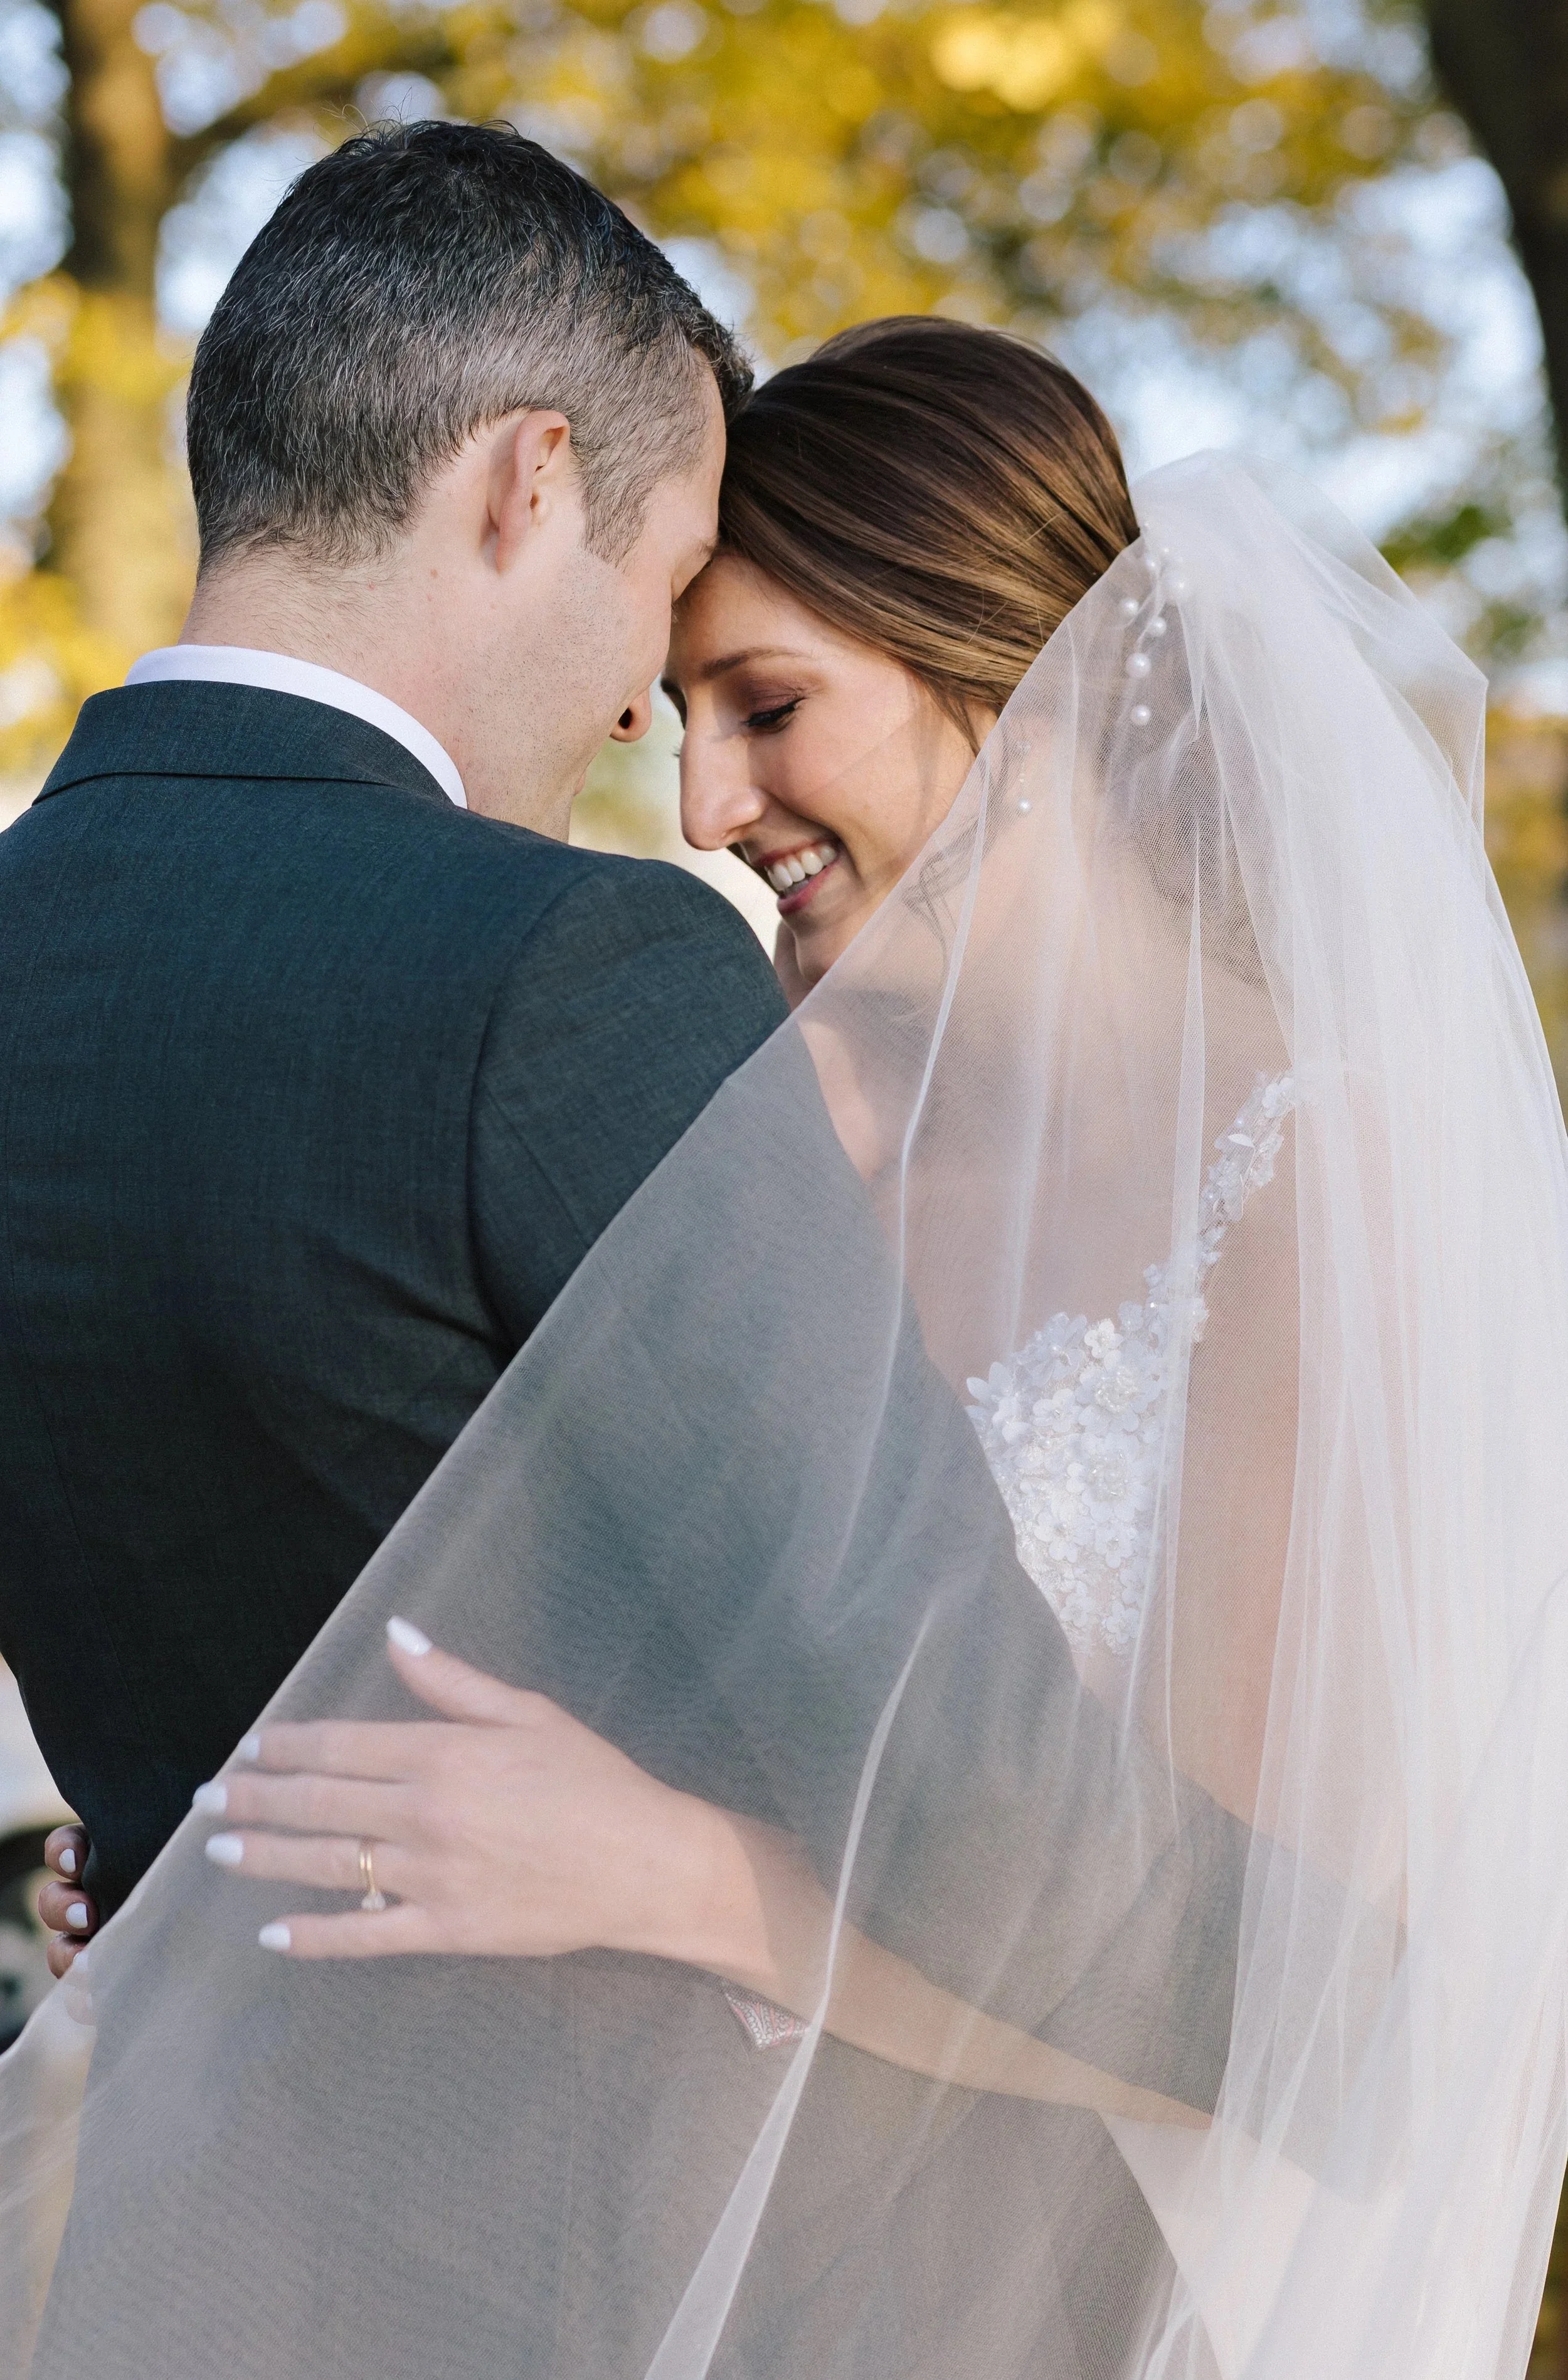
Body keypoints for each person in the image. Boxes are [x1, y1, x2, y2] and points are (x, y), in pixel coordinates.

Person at [16, 309, 1568, 2380]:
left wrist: (687, 1884)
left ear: (1023, 691)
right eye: (678, 716)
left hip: (1055, 2291)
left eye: (769, 707)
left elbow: (1285, 1981)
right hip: (629, 2262)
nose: (707, 802)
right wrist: (240, 1858)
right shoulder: (768, 1114)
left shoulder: (1311, 1185)